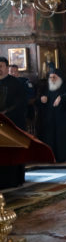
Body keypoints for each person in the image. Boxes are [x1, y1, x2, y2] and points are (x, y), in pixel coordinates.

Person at [0, 57, 27, 188]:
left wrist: (6, 112)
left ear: (6, 67)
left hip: (13, 122)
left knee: (13, 151)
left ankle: (14, 180)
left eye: (1, 66)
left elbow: (20, 102)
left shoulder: (16, 83)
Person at [38, 69, 66, 163]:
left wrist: (61, 97)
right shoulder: (46, 86)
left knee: (62, 136)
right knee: (49, 135)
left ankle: (63, 157)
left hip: (62, 115)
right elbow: (39, 97)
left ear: (59, 78)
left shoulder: (65, 84)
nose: (52, 79)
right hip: (49, 116)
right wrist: (42, 99)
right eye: (50, 77)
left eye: (54, 77)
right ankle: (50, 157)